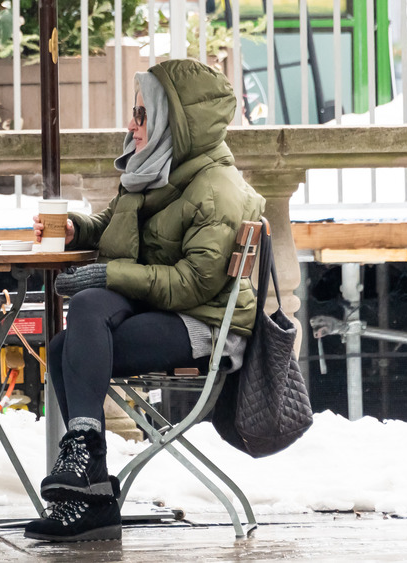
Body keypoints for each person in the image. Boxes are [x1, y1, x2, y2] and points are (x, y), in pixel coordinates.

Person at [24, 59, 265, 542]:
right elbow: (115, 225)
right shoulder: (151, 170)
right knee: (65, 338)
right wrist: (77, 228)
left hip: (203, 324)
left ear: (177, 121)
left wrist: (108, 272)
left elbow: (195, 283)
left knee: (79, 327)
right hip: (157, 308)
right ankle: (91, 483)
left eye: (142, 114)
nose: (131, 125)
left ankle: (85, 470)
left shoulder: (215, 189)